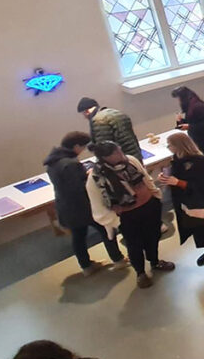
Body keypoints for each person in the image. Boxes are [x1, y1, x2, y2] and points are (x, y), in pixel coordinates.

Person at [86, 141, 174, 288]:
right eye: (117, 153)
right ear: (106, 157)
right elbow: (97, 205)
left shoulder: (130, 161)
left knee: (153, 236)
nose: (121, 154)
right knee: (134, 245)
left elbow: (145, 177)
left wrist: (155, 196)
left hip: (149, 206)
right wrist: (116, 222)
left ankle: (155, 261)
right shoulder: (96, 177)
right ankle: (140, 273)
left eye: (120, 150)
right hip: (127, 217)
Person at [44, 131, 127, 275]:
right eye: (82, 147)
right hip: (83, 206)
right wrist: (88, 176)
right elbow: (80, 188)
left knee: (78, 237)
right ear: (76, 146)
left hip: (65, 206)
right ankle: (118, 259)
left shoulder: (52, 162)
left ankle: (86, 266)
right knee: (107, 229)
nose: (83, 150)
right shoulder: (70, 164)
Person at [157, 132, 204, 271]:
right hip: (188, 203)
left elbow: (203, 186)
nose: (168, 147)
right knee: (198, 228)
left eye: (170, 145)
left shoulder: (200, 162)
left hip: (203, 203)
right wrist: (166, 177)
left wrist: (178, 182)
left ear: (179, 145)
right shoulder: (177, 160)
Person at [76, 97, 141, 160]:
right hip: (135, 155)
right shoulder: (117, 112)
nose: (84, 117)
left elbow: (104, 148)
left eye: (83, 114)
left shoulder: (99, 120)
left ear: (87, 111)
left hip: (121, 160)